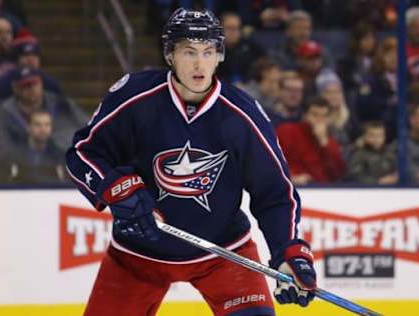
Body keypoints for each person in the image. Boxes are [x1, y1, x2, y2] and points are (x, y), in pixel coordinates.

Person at [65, 8, 316, 316]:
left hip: (224, 253)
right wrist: (115, 189)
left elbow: (275, 193)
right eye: (189, 52)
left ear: (220, 55)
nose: (199, 64)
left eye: (208, 51)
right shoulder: (135, 97)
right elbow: (82, 153)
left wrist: (287, 250)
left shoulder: (243, 115)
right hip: (137, 256)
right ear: (170, 55)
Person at [276, 96, 346, 185]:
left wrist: (324, 143)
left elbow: (337, 175)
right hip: (290, 185)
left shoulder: (330, 143)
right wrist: (291, 177)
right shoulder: (287, 131)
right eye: (315, 115)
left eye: (324, 116)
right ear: (305, 115)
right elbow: (275, 161)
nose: (320, 120)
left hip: (322, 191)